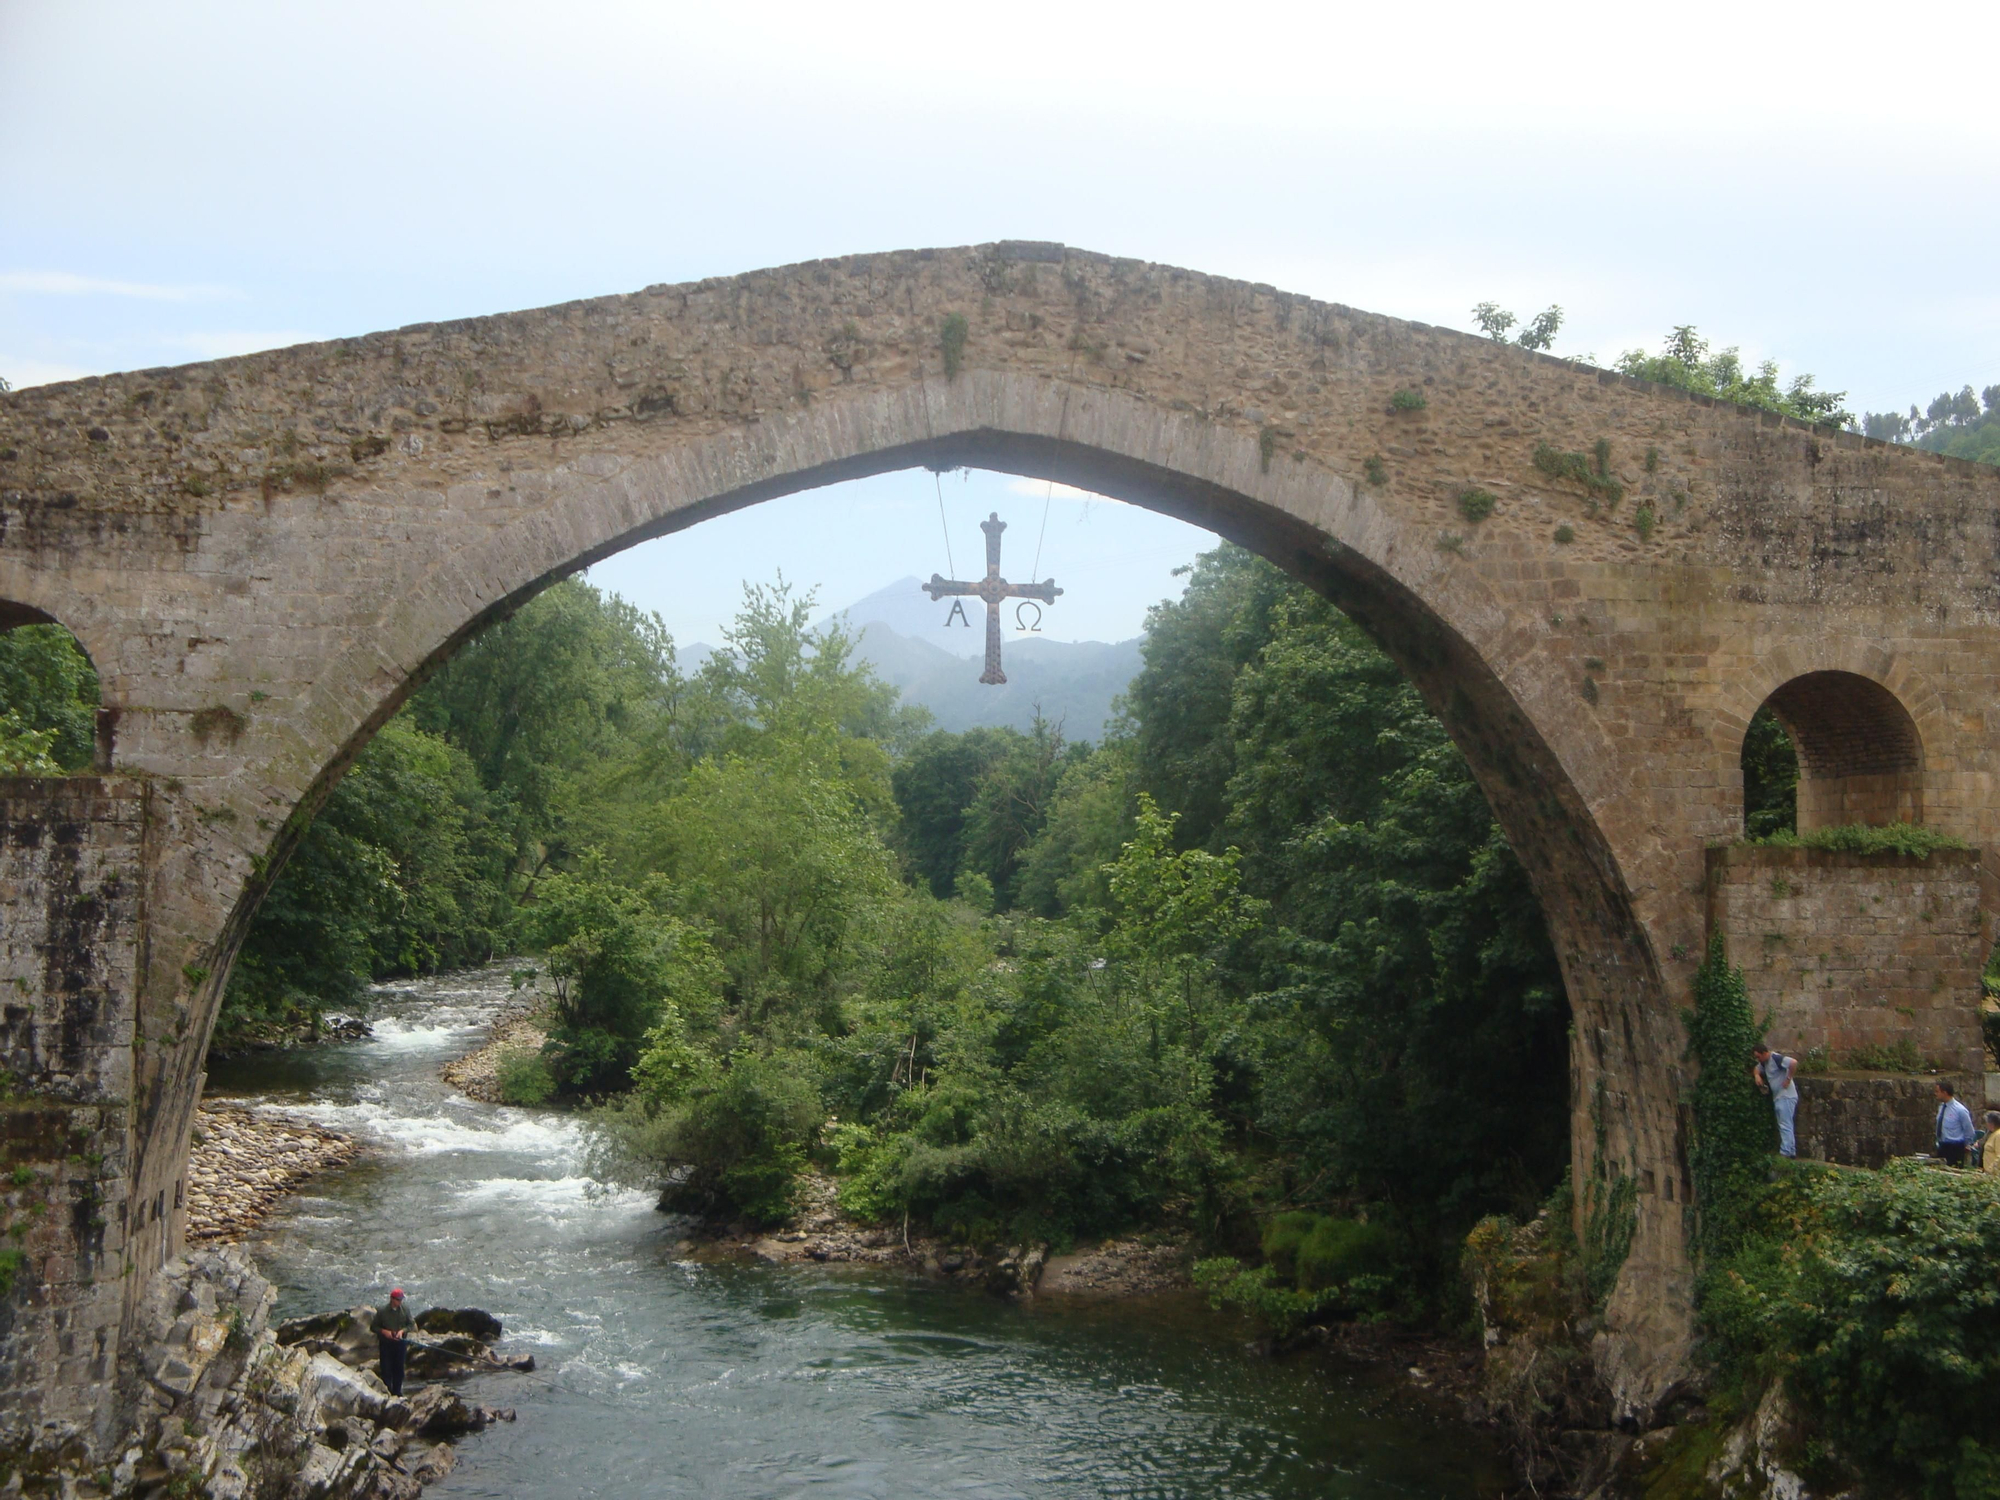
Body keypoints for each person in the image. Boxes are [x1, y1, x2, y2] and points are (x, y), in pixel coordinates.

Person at [1749, 1043, 1799, 1158]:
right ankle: (1791, 1151)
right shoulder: (1764, 1063)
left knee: (1785, 1124)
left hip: (1786, 1096)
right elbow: (1756, 1069)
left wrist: (1788, 1079)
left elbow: (1793, 1063)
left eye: (1758, 1057)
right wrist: (1757, 1076)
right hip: (1779, 1097)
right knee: (1785, 1123)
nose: (1758, 1059)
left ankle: (1785, 1152)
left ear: (1764, 1053)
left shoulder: (1775, 1058)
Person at [375, 1287, 414, 1395]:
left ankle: (397, 1392)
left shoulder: (405, 1309)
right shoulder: (382, 1311)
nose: (400, 1302)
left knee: (399, 1370)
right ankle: (387, 1391)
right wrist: (384, 1332)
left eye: (401, 1300)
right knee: (386, 1369)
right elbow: (373, 1327)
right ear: (392, 1299)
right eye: (398, 1299)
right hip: (386, 1344)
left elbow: (411, 1324)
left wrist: (402, 1331)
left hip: (400, 1343)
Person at [1933, 1082, 1976, 1167]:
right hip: (1942, 1145)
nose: (1935, 1094)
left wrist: (1966, 1145)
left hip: (1955, 1147)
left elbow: (1969, 1131)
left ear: (1944, 1093)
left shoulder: (1960, 1110)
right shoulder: (1941, 1107)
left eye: (1937, 1091)